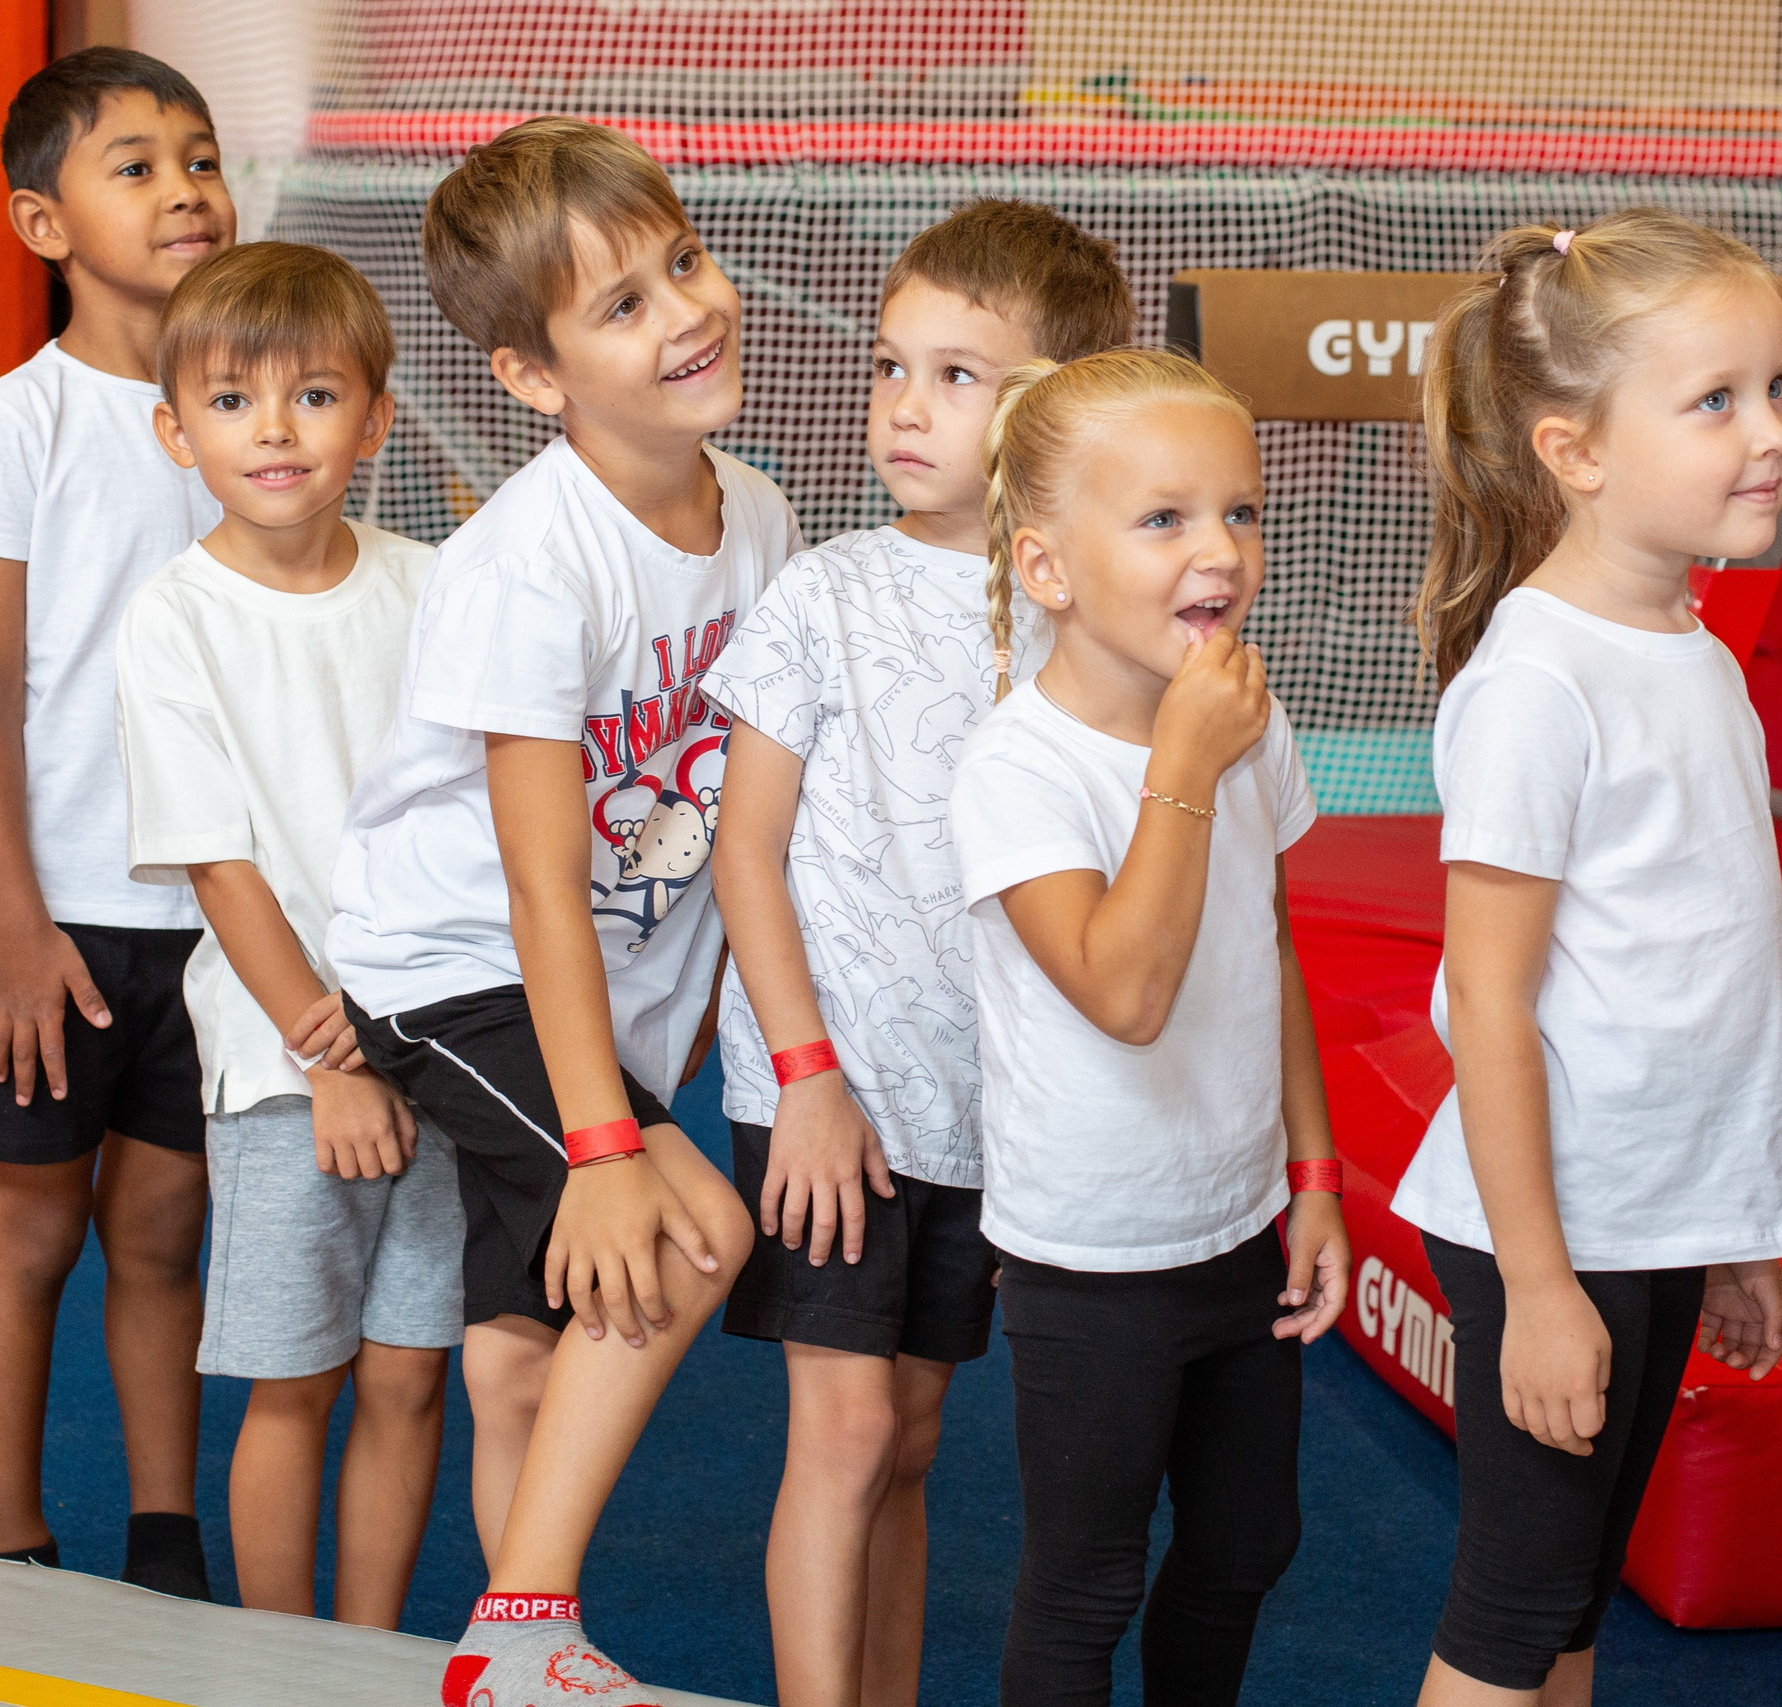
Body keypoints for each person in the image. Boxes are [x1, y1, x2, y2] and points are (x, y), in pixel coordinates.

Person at [320, 117, 799, 1700]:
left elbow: (742, 814)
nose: (685, 313)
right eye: (623, 308)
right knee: (686, 1234)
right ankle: (513, 1635)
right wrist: (608, 1143)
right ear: (533, 376)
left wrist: (734, 1043)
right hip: (458, 970)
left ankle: (531, 1652)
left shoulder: (765, 520)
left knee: (530, 1350)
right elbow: (535, 878)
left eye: (684, 264)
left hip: (609, 990)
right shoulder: (532, 564)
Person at [699, 201, 1135, 1707]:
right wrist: (808, 1076)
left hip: (982, 1101)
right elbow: (742, 849)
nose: (904, 404)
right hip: (830, 1089)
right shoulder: (825, 592)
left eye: (961, 375)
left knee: (916, 1434)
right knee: (843, 1430)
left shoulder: (1082, 614)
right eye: (894, 366)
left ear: (1058, 406)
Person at [1392, 210, 1782, 1706]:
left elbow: (1698, 982)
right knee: (1511, 1617)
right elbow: (1488, 1003)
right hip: (1548, 1226)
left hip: (1653, 1212)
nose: (1771, 434)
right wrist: (1542, 1281)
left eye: (1775, 389)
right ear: (1575, 451)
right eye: (1715, 402)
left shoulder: (1694, 656)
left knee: (1571, 1614)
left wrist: (1733, 1222)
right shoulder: (1538, 680)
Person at [947, 348, 1352, 1707]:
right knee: (1086, 1581)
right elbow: (1125, 994)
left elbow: (1268, 944)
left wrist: (1312, 1176)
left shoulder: (1244, 713)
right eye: (1166, 518)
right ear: (1049, 568)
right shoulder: (1021, 767)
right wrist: (1180, 766)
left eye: (1240, 512)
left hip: (1236, 1226)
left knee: (1248, 1545)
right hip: (1093, 1255)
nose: (1220, 550)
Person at [0, 46, 232, 1598]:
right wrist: (19, 924)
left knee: (166, 1235)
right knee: (33, 1235)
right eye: (138, 164)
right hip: (56, 916)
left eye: (200, 155)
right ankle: (6, 1548)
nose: (185, 187)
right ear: (43, 225)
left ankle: (165, 1541)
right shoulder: (16, 422)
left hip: (216, 917)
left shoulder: (248, 409)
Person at [114, 241, 461, 1628]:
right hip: (286, 1071)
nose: (274, 430)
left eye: (315, 396)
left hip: (441, 1047)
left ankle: (366, 1655)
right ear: (176, 429)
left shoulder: (433, 584)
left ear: (374, 419)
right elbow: (222, 865)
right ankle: (280, 1662)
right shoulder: (176, 619)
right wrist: (332, 1058)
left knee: (409, 1373)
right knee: (296, 1382)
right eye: (234, 400)